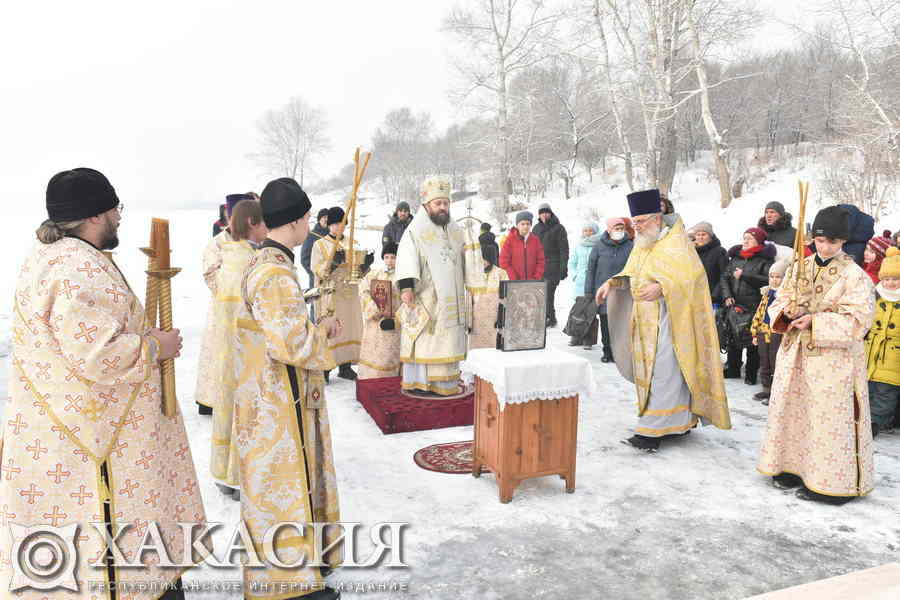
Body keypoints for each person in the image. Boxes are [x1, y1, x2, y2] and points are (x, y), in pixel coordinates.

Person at [0, 168, 205, 598]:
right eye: (114, 208)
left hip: (65, 437)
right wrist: (156, 347)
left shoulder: (47, 257)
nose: (118, 216)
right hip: (96, 448)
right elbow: (97, 354)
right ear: (94, 215)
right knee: (116, 554)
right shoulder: (77, 268)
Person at [233, 177, 343, 600]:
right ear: (298, 221)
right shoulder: (275, 273)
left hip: (269, 393)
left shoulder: (265, 262)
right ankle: (288, 585)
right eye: (308, 217)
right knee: (283, 487)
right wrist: (323, 332)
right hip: (275, 400)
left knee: (284, 486)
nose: (309, 224)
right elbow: (289, 342)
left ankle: (302, 571)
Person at [596, 189, 731, 452]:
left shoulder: (676, 242)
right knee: (664, 374)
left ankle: (652, 430)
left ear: (657, 218)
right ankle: (679, 422)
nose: (637, 227)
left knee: (664, 373)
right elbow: (633, 272)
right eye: (635, 223)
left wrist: (663, 287)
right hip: (645, 320)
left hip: (672, 320)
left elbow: (694, 279)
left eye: (642, 221)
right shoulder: (643, 243)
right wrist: (612, 282)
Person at [759, 205, 875, 505]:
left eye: (833, 242)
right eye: (821, 241)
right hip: (795, 354)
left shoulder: (855, 275)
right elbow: (778, 299)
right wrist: (786, 312)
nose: (825, 247)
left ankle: (831, 482)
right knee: (793, 412)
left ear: (843, 242)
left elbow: (859, 321)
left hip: (832, 361)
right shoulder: (799, 266)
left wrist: (815, 320)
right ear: (813, 239)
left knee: (826, 420)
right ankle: (790, 467)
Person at [209, 199, 267, 500]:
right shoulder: (250, 262)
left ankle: (224, 473)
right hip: (247, 349)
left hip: (226, 346)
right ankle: (239, 476)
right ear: (252, 224)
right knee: (245, 409)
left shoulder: (228, 257)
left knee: (227, 403)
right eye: (264, 222)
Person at [396, 176, 474, 397]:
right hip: (427, 296)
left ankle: (446, 383)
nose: (442, 207)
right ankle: (422, 383)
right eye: (438, 203)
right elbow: (406, 257)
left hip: (453, 296)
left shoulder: (454, 228)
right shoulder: (416, 229)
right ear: (427, 205)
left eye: (446, 203)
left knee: (448, 339)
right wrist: (407, 287)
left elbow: (466, 255)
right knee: (427, 341)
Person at [195, 192, 254, 415]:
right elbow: (210, 274)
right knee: (219, 352)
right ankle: (211, 400)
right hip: (223, 309)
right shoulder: (216, 243)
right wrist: (230, 290)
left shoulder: (254, 243)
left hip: (249, 310)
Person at [311, 206, 372, 382]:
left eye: (342, 223)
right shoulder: (320, 245)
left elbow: (358, 274)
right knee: (331, 329)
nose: (339, 227)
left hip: (350, 294)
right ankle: (325, 369)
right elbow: (317, 269)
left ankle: (345, 367)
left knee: (349, 328)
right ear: (329, 225)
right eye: (335, 224)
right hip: (331, 294)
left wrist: (364, 266)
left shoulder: (353, 243)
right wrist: (333, 263)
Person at [720, 228, 776, 385]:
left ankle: (751, 373)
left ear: (758, 242)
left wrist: (744, 276)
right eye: (744, 238)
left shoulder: (765, 260)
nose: (745, 241)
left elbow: (767, 280)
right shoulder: (735, 259)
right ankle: (733, 369)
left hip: (754, 305)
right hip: (734, 304)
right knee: (733, 338)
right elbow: (725, 278)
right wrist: (727, 296)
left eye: (749, 239)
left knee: (752, 340)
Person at [585, 218, 633, 361]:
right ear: (608, 230)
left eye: (621, 228)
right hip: (603, 291)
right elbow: (591, 269)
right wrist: (588, 291)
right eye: (616, 228)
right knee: (606, 323)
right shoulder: (599, 246)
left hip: (623, 291)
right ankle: (607, 351)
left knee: (621, 323)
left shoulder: (630, 246)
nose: (619, 231)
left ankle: (620, 352)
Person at [865, 246, 900, 437]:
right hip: (871, 353)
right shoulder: (875, 296)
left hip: (893, 356)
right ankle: (866, 420)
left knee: (885, 393)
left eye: (895, 279)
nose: (891, 283)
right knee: (868, 389)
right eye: (887, 279)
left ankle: (876, 422)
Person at [357, 243, 402, 379]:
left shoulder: (402, 277)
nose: (389, 261)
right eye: (386, 257)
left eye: (393, 257)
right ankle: (369, 381)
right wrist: (373, 308)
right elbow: (363, 289)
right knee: (372, 353)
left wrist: (396, 319)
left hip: (392, 324)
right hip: (375, 322)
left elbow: (407, 302)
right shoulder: (375, 274)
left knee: (387, 356)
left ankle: (387, 382)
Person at [749, 258, 789, 404]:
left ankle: (776, 392)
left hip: (777, 333)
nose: (774, 280)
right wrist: (755, 331)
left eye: (778, 277)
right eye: (771, 277)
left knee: (775, 361)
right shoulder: (766, 294)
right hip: (763, 331)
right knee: (764, 361)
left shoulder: (786, 295)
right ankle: (766, 388)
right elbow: (760, 312)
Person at [469, 235, 509, 350]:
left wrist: (502, 318)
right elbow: (468, 299)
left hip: (494, 319)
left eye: (485, 259)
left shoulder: (501, 273)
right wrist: (468, 322)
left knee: (493, 349)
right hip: (477, 320)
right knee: (476, 350)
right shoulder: (473, 274)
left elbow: (507, 297)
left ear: (491, 258)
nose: (482, 262)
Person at [532, 203, 569, 327]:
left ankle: (549, 318)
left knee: (548, 293)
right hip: (539, 267)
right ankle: (549, 317)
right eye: (541, 213)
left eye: (546, 212)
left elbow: (564, 249)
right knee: (541, 293)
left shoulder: (558, 228)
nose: (544, 215)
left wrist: (563, 267)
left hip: (553, 266)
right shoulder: (536, 228)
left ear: (551, 213)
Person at [499, 211, 545, 281]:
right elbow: (503, 262)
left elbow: (541, 261)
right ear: (517, 225)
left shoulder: (535, 240)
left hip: (533, 283)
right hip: (514, 283)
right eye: (522, 224)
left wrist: (536, 277)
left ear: (530, 225)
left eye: (528, 224)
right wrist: (514, 278)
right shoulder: (510, 240)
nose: (525, 226)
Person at [691, 222, 728, 306]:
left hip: (713, 299)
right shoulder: (691, 252)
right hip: (694, 298)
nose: (700, 237)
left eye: (704, 234)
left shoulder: (719, 251)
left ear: (710, 236)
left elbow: (724, 275)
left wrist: (714, 296)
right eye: (698, 234)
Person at [302, 208, 331, 288]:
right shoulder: (311, 236)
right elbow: (304, 259)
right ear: (319, 219)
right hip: (317, 280)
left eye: (328, 217)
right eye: (324, 217)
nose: (327, 219)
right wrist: (315, 273)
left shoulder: (334, 236)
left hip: (332, 280)